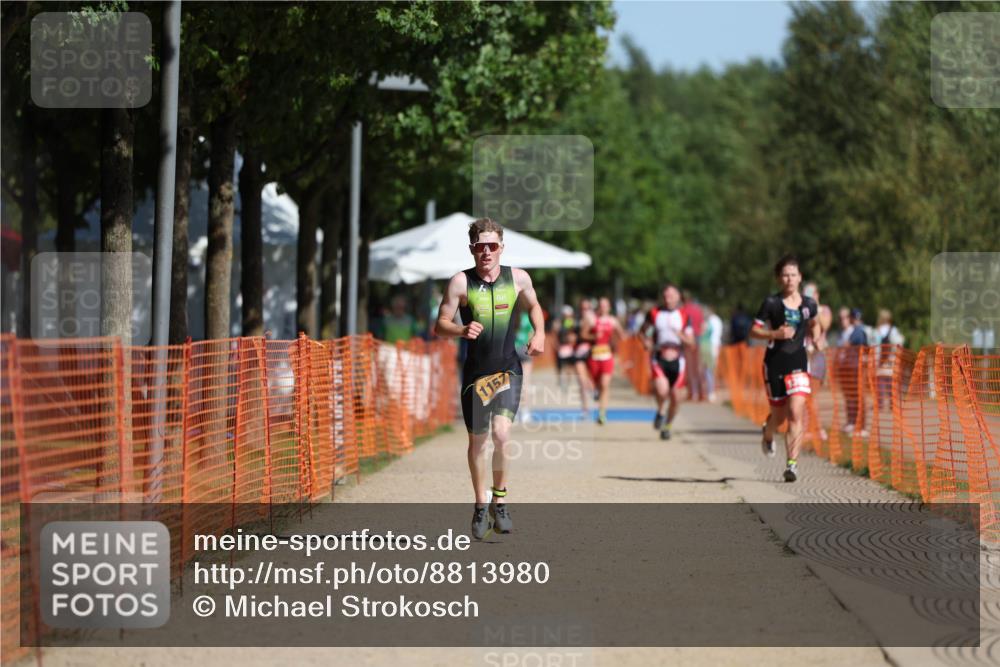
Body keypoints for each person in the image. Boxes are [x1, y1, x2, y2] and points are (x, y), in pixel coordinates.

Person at [434, 218, 545, 540]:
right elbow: (439, 324)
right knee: (478, 442)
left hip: (508, 368)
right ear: (472, 249)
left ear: (501, 248)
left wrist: (539, 333)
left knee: (502, 435)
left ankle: (501, 501)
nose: (486, 252)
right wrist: (460, 329)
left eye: (492, 246)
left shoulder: (519, 278)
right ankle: (481, 503)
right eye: (480, 246)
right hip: (476, 373)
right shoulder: (459, 283)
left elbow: (535, 306)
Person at [750, 255, 825, 483]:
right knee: (780, 417)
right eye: (785, 275)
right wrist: (775, 334)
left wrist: (817, 338)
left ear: (800, 277)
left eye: (793, 274)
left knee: (796, 412)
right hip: (774, 364)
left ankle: (792, 465)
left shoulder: (809, 304)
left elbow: (815, 324)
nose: (789, 279)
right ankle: (768, 431)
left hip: (799, 364)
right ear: (778, 278)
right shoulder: (771, 303)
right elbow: (754, 331)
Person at [642, 284, 694, 441]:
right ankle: (660, 411)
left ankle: (668, 425)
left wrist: (680, 334)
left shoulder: (684, 315)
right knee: (662, 390)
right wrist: (646, 342)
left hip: (678, 359)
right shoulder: (654, 312)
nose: (667, 298)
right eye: (665, 296)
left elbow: (690, 342)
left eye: (671, 295)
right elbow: (642, 332)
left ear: (678, 297)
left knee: (676, 397)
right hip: (659, 357)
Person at [582, 296, 625, 424]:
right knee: (596, 385)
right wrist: (593, 336)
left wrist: (615, 343)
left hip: (607, 356)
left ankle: (602, 414)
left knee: (605, 384)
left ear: (609, 307)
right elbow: (583, 334)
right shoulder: (591, 319)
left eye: (605, 305)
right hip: (594, 356)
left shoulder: (613, 321)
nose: (603, 308)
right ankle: (596, 395)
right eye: (601, 305)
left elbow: (622, 336)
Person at [573, 298, 596, 417]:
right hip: (578, 353)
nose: (584, 311)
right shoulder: (575, 320)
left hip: (593, 353)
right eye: (582, 308)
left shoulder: (594, 319)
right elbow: (568, 333)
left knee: (592, 381)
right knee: (581, 381)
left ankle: (594, 392)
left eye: (587, 308)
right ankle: (585, 409)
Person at [681, 291, 704, 401]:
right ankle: (701, 393)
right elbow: (702, 325)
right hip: (698, 339)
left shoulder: (684, 310)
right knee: (698, 368)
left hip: (689, 339)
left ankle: (693, 393)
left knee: (690, 369)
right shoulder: (698, 310)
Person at [514, 309, 535, 423]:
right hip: (524, 349)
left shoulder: (509, 315)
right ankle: (526, 412)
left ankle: (513, 412)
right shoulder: (527, 317)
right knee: (526, 383)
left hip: (511, 349)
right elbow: (531, 334)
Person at [699, 305, 724, 403]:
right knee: (707, 371)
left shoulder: (711, 321)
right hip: (710, 347)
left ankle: (710, 392)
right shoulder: (712, 320)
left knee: (709, 371)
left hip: (710, 347)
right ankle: (708, 392)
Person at [555, 305, 577, 389]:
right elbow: (555, 335)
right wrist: (557, 345)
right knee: (560, 366)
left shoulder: (571, 322)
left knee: (569, 366)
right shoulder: (559, 323)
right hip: (561, 347)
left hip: (568, 347)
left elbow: (573, 335)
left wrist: (572, 343)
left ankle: (568, 382)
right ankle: (561, 381)